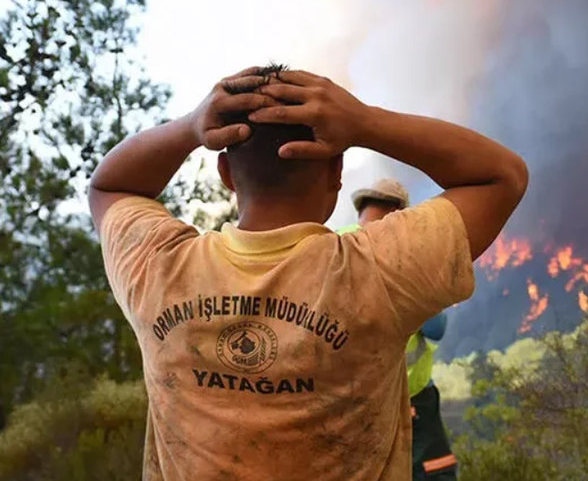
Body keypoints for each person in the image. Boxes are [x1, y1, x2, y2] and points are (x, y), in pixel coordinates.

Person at [88, 65, 528, 481]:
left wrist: (188, 128)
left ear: (226, 173)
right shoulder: (379, 271)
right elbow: (500, 176)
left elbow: (110, 185)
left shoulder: (159, 266)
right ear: (337, 172)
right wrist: (365, 122)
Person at [341, 179, 458, 480]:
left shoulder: (337, 248)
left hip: (366, 400)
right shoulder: (397, 256)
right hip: (394, 400)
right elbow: (436, 327)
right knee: (429, 471)